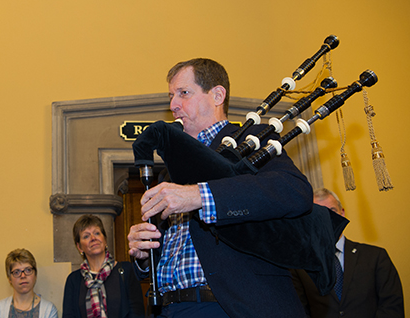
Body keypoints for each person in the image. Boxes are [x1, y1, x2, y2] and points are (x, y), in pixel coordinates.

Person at [127, 58, 313, 317]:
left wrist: (200, 195)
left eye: (183, 93)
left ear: (217, 95)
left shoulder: (253, 139)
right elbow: (175, 247)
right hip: (169, 308)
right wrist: (145, 257)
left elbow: (294, 192)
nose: (173, 105)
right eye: (171, 96)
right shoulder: (169, 171)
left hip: (230, 307)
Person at [291, 188, 404, 318]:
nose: (328, 219)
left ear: (342, 213)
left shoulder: (376, 257)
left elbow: (392, 307)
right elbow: (300, 312)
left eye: (332, 211)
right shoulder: (300, 268)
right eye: (320, 214)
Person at [63, 215, 144, 318]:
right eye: (86, 236)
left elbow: (137, 313)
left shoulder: (126, 270)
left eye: (97, 233)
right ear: (79, 247)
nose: (93, 238)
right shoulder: (73, 280)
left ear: (105, 240)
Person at [0, 248, 58, 318]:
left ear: (35, 275)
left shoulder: (49, 310)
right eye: (16, 272)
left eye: (28, 270)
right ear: (9, 278)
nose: (23, 276)